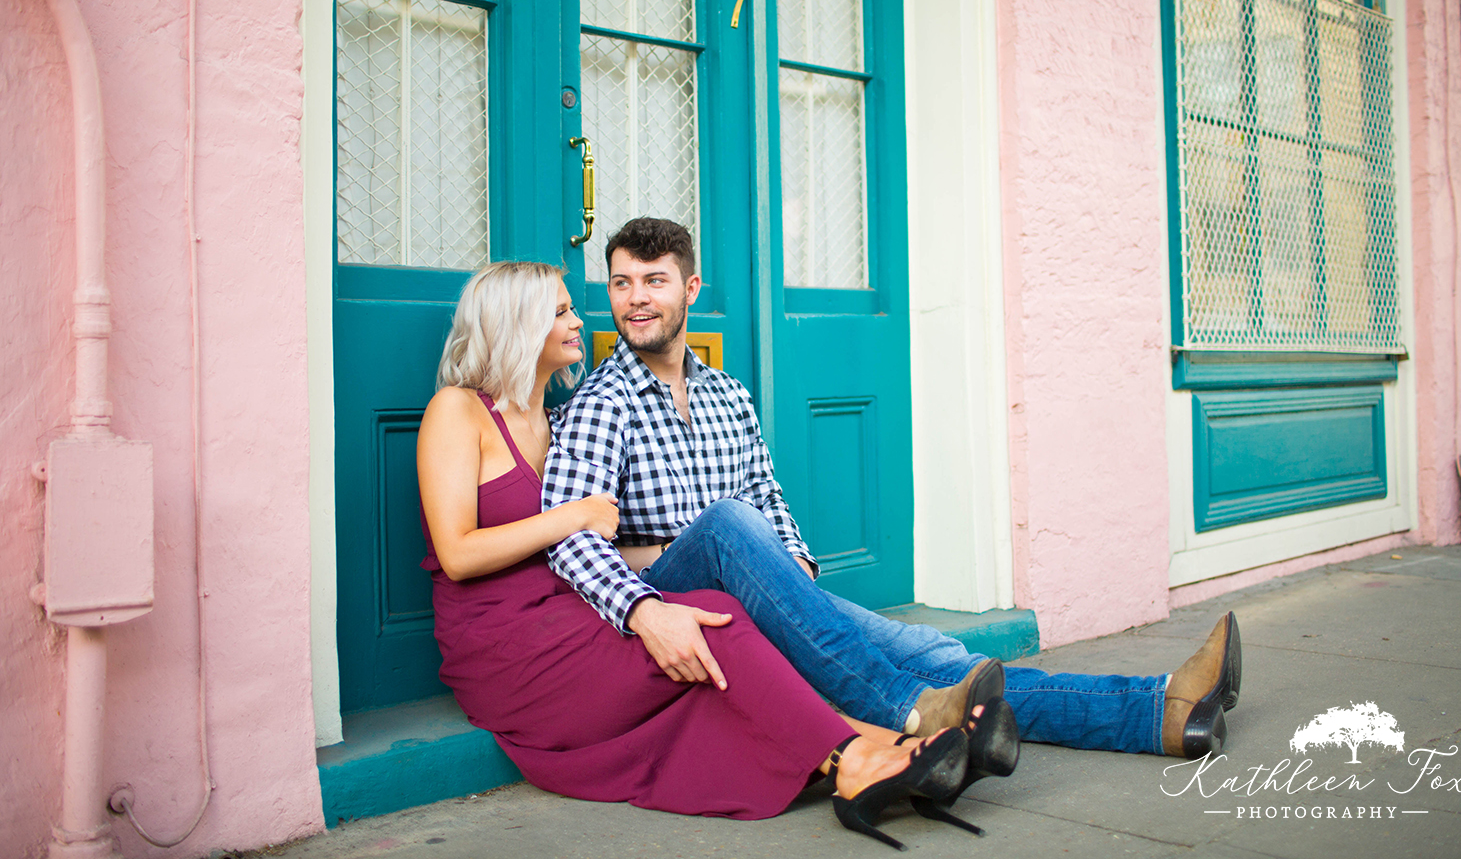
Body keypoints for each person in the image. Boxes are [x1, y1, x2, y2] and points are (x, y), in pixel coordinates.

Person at [542, 217, 1242, 762]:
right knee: (730, 525)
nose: (635, 300)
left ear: (690, 291)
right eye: (621, 283)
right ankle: (909, 710)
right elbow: (569, 537)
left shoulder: (726, 392)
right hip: (681, 598)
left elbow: (767, 491)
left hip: (757, 588)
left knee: (942, 659)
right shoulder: (603, 403)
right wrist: (641, 612)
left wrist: (797, 573)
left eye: (653, 281)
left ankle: (1159, 712)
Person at [415, 260, 1009, 849]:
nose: (578, 320)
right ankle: (866, 754)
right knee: (716, 625)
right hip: (506, 647)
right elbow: (458, 553)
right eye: (562, 311)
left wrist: (691, 557)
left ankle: (889, 749)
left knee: (713, 614)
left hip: (571, 614)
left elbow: (602, 550)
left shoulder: (554, 419)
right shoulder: (458, 411)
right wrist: (572, 517)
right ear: (518, 325)